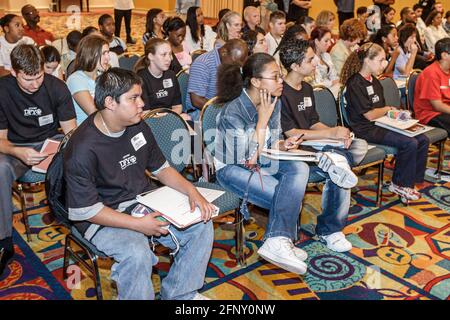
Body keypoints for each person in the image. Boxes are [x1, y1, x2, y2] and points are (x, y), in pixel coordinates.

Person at [63, 67, 214, 300]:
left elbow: (161, 169)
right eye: (133, 98)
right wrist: (137, 224)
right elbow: (87, 210)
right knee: (136, 252)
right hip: (101, 214)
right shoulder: (82, 148)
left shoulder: (138, 125)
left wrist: (192, 191)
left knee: (201, 225)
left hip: (140, 200)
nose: (142, 103)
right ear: (110, 102)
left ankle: (179, 294)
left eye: (140, 96)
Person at [214, 52, 310, 274]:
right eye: (275, 77)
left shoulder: (272, 101)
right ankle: (281, 239)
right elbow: (247, 159)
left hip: (261, 157)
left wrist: (283, 145)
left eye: (280, 76)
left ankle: (278, 240)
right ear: (256, 82)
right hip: (231, 167)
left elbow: (271, 142)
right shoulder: (233, 112)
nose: (281, 81)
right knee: (286, 191)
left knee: (300, 168)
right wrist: (263, 120)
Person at [279, 38, 367, 252]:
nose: (316, 62)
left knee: (358, 146)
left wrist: (335, 134)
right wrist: (331, 133)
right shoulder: (281, 93)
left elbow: (312, 122)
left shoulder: (307, 88)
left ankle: (334, 159)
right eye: (310, 59)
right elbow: (291, 133)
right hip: (293, 148)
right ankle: (330, 229)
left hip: (314, 142)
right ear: (295, 66)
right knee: (341, 162)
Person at [0, 44, 76, 276]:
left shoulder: (57, 87)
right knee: (0, 169)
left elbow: (72, 134)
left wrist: (59, 150)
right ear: (14, 72)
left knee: (79, 160)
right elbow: (0, 140)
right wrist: (18, 152)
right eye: (28, 79)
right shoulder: (3, 91)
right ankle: (4, 242)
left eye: (39, 76)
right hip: (17, 147)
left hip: (51, 144)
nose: (35, 84)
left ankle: (82, 224)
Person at [340, 42, 430, 201]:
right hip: (365, 129)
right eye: (381, 60)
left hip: (380, 123)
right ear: (367, 61)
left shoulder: (374, 81)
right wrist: (389, 109)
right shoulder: (355, 83)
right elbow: (369, 115)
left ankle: (411, 181)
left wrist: (396, 114)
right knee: (409, 143)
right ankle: (399, 184)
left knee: (422, 138)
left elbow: (379, 110)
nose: (385, 64)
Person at [185, 39, 248, 121]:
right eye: (234, 63)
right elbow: (197, 101)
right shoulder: (203, 64)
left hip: (222, 107)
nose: (236, 67)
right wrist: (225, 111)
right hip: (199, 112)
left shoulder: (229, 62)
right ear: (224, 52)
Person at [135, 38, 190, 120]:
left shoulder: (171, 75)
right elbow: (145, 114)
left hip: (170, 117)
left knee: (189, 120)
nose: (169, 59)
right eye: (164, 54)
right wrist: (167, 117)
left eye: (170, 54)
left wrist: (168, 117)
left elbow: (178, 106)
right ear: (151, 56)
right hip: (151, 121)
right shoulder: (141, 79)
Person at [66, 35, 110, 125]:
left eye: (108, 53)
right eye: (104, 53)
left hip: (105, 127)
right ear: (91, 54)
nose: (108, 58)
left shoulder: (102, 76)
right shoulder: (76, 79)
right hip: (87, 131)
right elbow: (94, 113)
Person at [414, 38, 450, 135]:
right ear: (444, 55)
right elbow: (437, 105)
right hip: (429, 114)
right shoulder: (431, 73)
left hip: (445, 110)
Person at [310, 26, 340, 97]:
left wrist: (335, 81)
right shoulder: (310, 59)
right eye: (326, 41)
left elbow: (334, 75)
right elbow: (317, 83)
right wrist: (332, 82)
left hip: (330, 89)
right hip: (318, 94)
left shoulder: (326, 56)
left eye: (330, 40)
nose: (329, 44)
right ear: (317, 41)